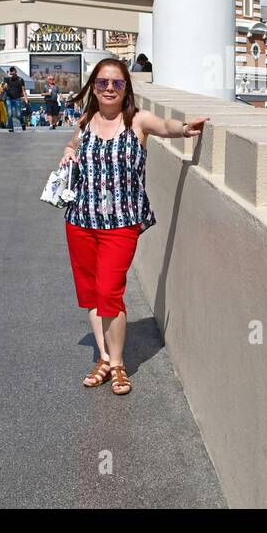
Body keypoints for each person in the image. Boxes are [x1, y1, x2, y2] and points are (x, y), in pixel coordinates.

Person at [60, 57, 206, 396]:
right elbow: (73, 145)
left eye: (117, 83)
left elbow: (167, 126)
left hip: (122, 222)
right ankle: (105, 361)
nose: (109, 88)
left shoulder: (136, 121)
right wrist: (68, 151)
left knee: (110, 291)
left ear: (126, 89)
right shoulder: (85, 120)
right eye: (102, 83)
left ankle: (119, 363)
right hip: (80, 220)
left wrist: (186, 129)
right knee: (93, 294)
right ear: (92, 88)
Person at [2, 67, 27, 132]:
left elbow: (23, 90)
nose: (12, 74)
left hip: (17, 99)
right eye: (11, 73)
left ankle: (23, 123)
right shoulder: (8, 79)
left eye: (13, 72)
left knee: (18, 114)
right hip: (9, 98)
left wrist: (26, 99)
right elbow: (4, 87)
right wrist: (4, 86)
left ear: (16, 72)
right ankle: (11, 127)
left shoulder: (20, 80)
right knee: (9, 113)